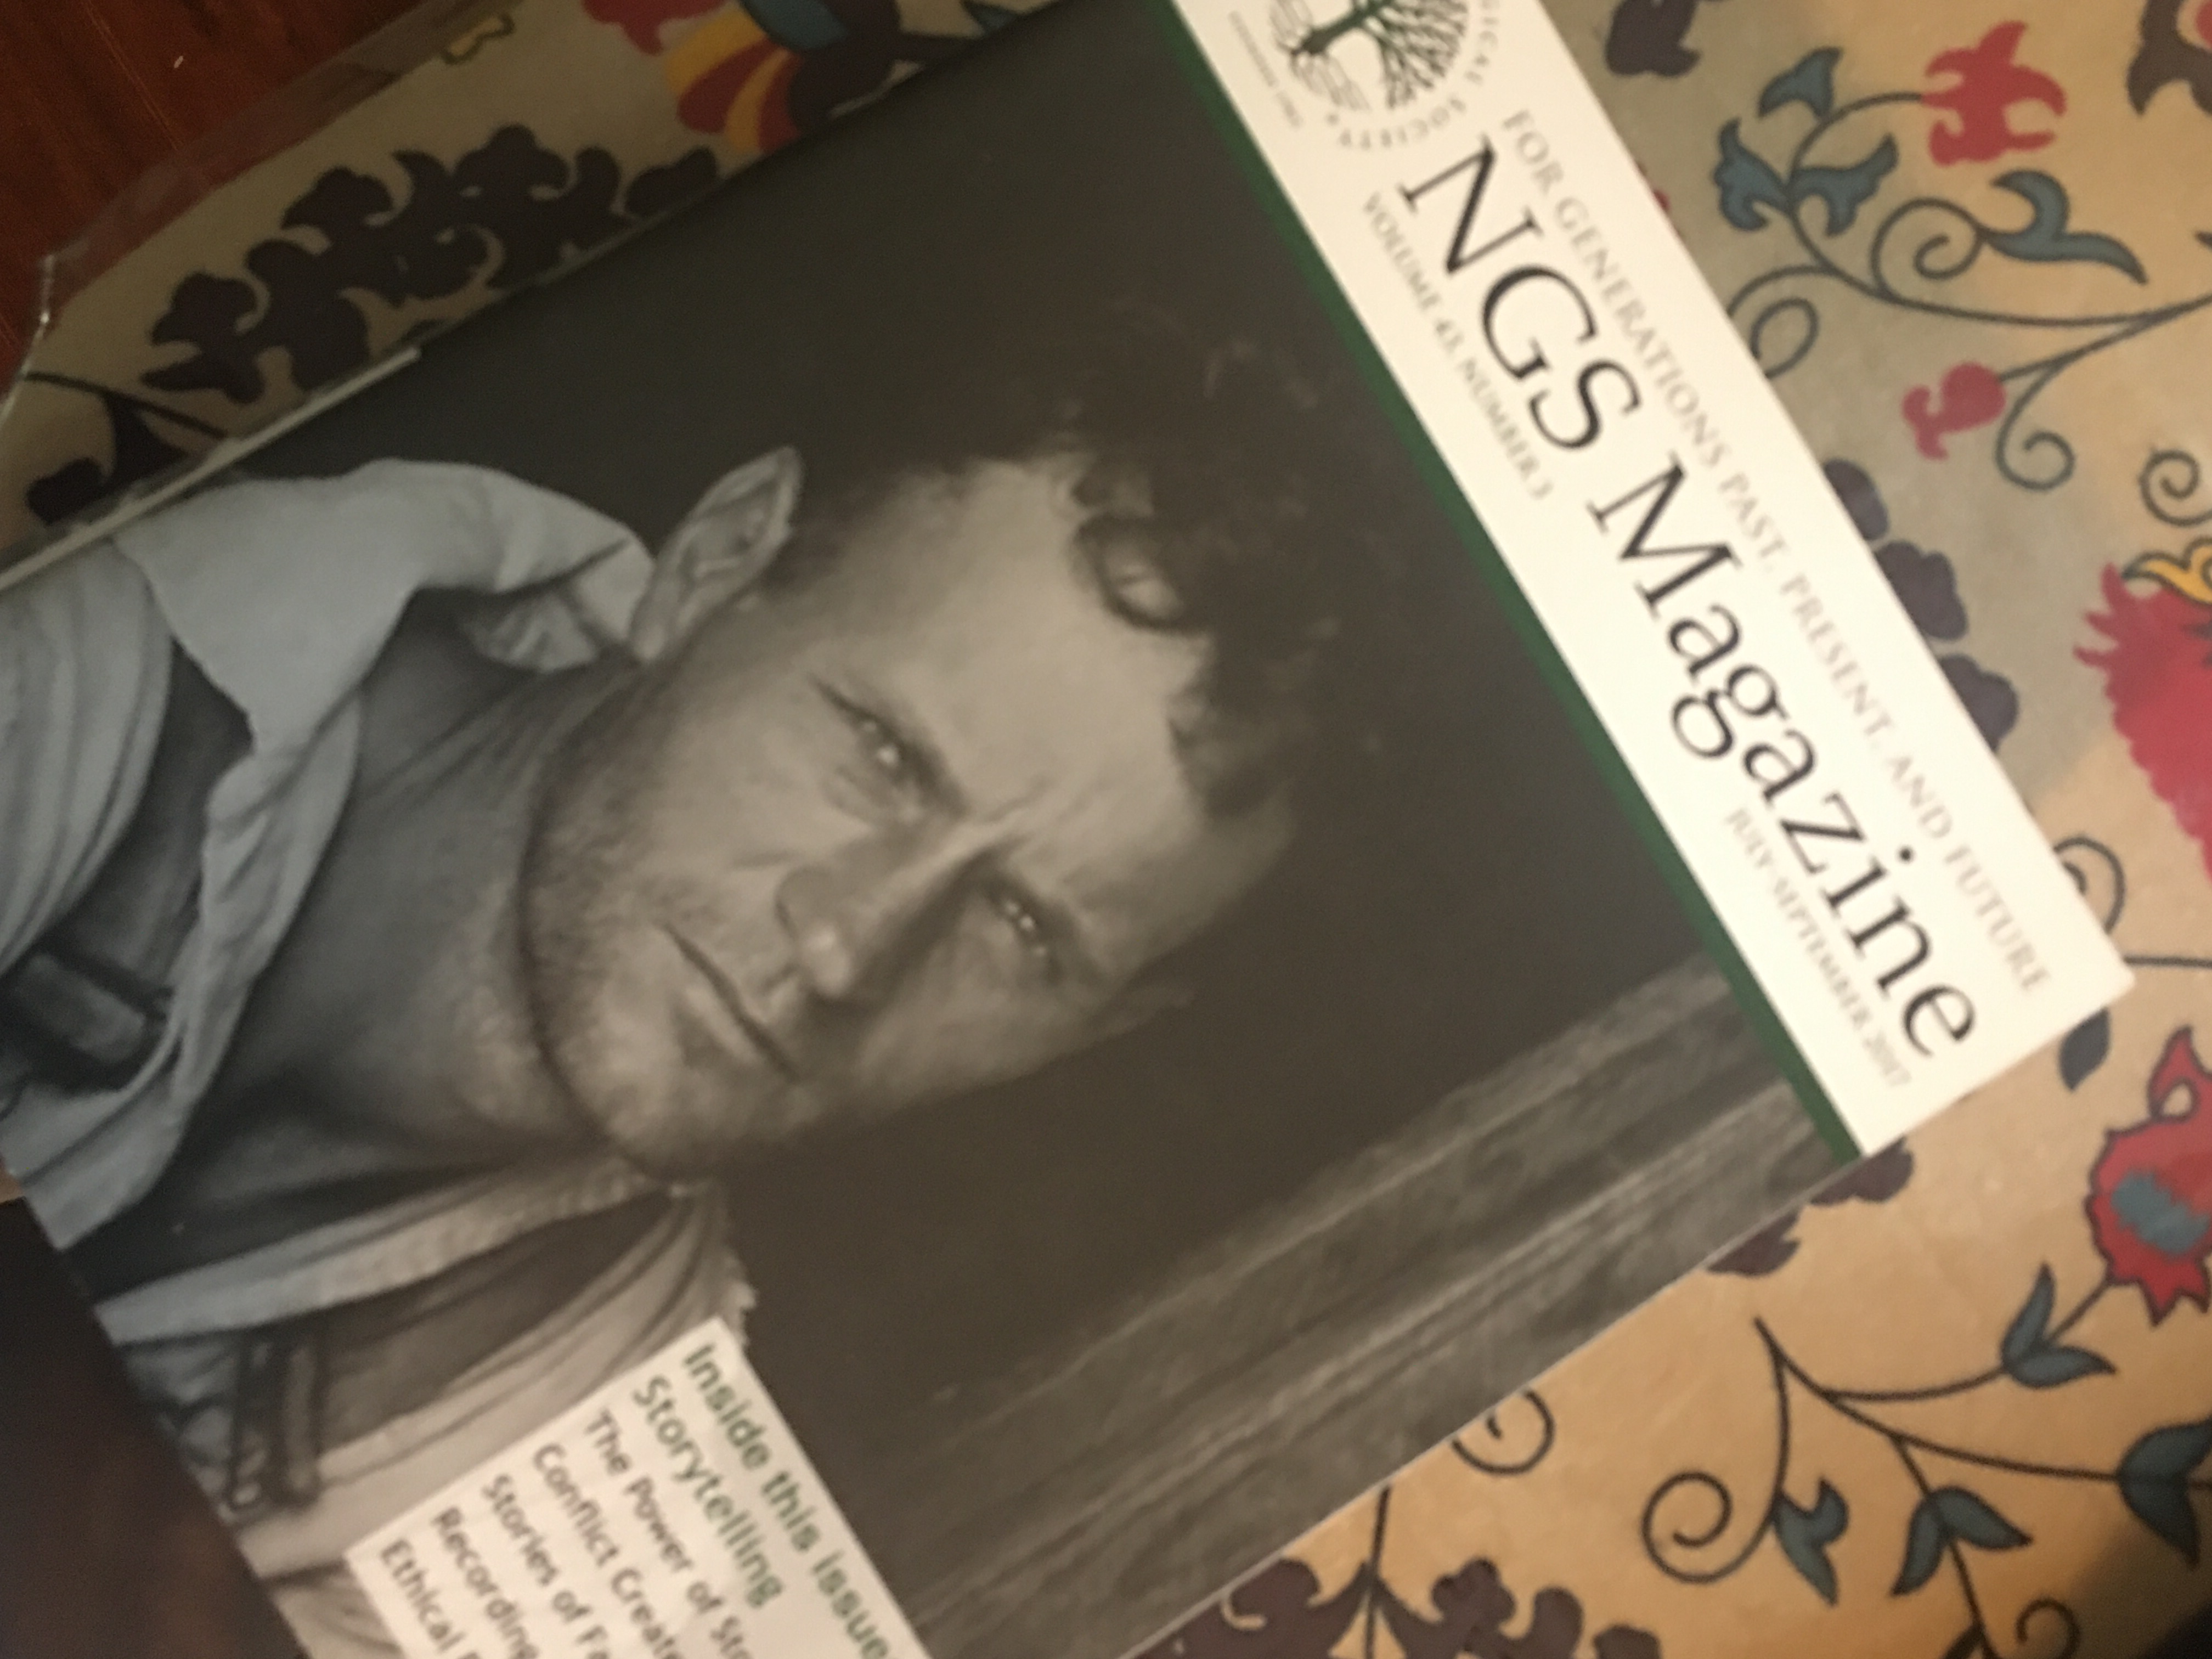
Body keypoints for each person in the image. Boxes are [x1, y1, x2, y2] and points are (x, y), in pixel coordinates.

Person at [0, 324, 1384, 1647]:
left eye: (1023, 927)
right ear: (716, 566)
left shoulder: (619, 1458)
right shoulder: (92, 661)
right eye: (884, 755)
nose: (847, 950)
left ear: (1090, 1036)